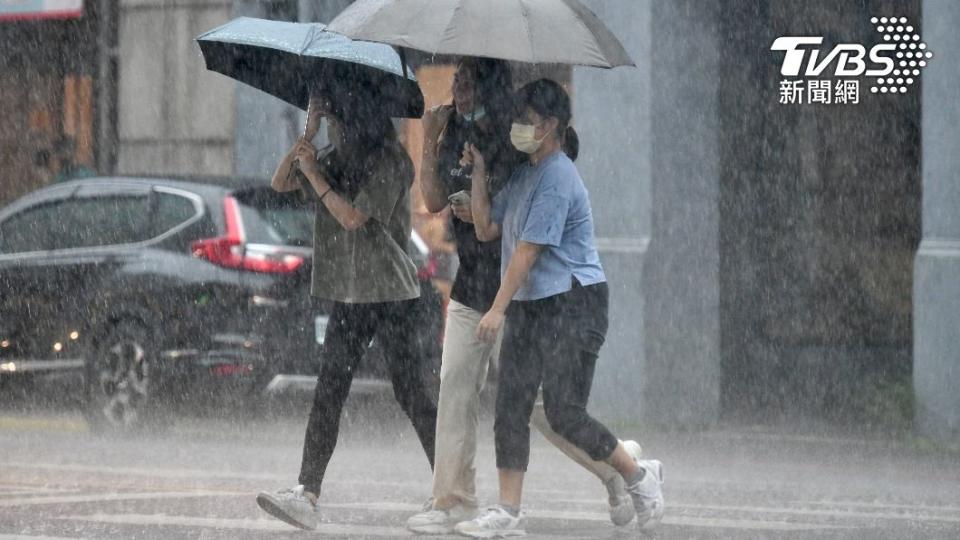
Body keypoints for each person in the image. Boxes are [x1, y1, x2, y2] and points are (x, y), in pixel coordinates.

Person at [406, 59, 640, 535]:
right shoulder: (452, 130)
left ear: (491, 88)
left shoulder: (519, 139)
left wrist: (486, 194)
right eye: (455, 82)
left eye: (468, 83)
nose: (459, 92)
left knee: (539, 411)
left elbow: (524, 229)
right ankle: (453, 500)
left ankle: (616, 469)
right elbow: (432, 201)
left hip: (523, 294)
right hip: (473, 284)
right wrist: (430, 140)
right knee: (454, 388)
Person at [454, 79, 665, 537]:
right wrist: (478, 171)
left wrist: (495, 309)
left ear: (550, 126)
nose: (518, 128)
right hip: (535, 302)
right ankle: (508, 512)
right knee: (510, 405)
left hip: (574, 302)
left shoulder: (558, 177)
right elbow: (488, 227)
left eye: (526, 121)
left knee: (564, 412)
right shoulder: (527, 173)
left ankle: (638, 475)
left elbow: (527, 251)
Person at [255, 91, 438, 531]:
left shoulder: (392, 162)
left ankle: (450, 486)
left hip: (390, 291)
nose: (333, 129)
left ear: (359, 122)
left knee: (409, 389)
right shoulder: (335, 156)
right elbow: (280, 183)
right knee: (330, 386)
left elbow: (353, 217)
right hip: (351, 291)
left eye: (336, 120)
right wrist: (307, 138)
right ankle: (307, 490)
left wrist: (316, 174)